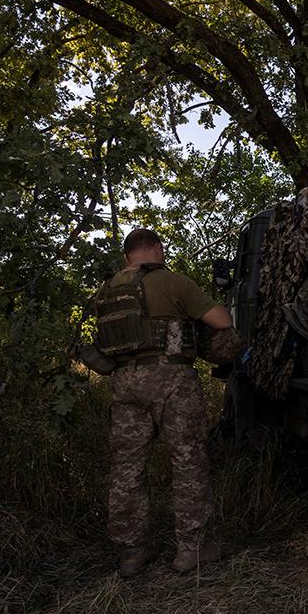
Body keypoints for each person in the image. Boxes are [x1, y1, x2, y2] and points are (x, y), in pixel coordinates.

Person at [93, 229, 235, 577]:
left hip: (124, 383)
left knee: (127, 468)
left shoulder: (105, 290)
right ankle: (192, 550)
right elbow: (222, 321)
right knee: (188, 461)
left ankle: (132, 553)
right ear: (157, 248)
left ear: (128, 255)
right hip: (171, 379)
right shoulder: (171, 281)